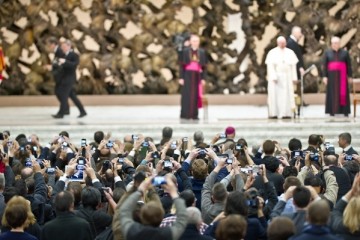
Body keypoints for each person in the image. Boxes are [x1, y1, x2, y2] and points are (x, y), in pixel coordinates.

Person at [50, 39, 87, 119]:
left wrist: (65, 62)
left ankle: (61, 113)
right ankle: (82, 111)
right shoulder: (63, 55)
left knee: (63, 95)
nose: (62, 48)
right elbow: (60, 66)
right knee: (72, 96)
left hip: (69, 78)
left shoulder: (74, 55)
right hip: (64, 78)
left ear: (69, 46)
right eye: (62, 46)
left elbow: (75, 65)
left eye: (64, 46)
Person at [265, 36, 298, 119]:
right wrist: (273, 76)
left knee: (287, 96)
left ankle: (286, 113)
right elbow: (270, 66)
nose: (282, 44)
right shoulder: (272, 52)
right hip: (276, 78)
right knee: (275, 96)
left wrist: (294, 78)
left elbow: (293, 66)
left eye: (283, 43)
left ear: (286, 43)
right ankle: (274, 113)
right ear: (277, 43)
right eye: (280, 43)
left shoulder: (290, 52)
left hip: (287, 77)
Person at [179, 34, 207, 120]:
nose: (195, 43)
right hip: (187, 75)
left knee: (196, 95)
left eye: (197, 41)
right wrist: (181, 77)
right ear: (190, 42)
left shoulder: (202, 52)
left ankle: (194, 115)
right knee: (186, 95)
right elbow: (181, 66)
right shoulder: (185, 51)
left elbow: (204, 67)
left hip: (197, 76)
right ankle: (185, 114)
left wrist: (203, 78)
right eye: (194, 41)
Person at [322, 36, 352, 117]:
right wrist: (324, 76)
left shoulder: (345, 53)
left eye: (337, 43)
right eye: (334, 43)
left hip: (342, 76)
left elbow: (348, 65)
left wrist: (349, 76)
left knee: (344, 93)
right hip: (331, 77)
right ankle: (332, 111)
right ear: (331, 44)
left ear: (339, 44)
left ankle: (345, 111)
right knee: (332, 93)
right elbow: (324, 66)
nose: (335, 44)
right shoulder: (327, 53)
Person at [287, 26, 308, 113]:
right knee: (297, 88)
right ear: (295, 33)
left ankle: (300, 102)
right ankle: (298, 104)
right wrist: (300, 67)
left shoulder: (294, 42)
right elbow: (294, 58)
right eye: (299, 33)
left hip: (297, 70)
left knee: (299, 88)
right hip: (294, 71)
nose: (301, 35)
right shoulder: (291, 43)